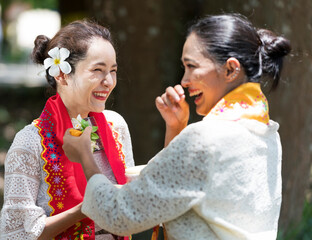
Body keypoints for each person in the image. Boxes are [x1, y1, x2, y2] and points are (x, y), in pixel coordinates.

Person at [62, 13, 291, 240]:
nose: (184, 80)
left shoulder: (204, 139)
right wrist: (177, 128)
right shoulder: (266, 130)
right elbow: (183, 194)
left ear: (230, 70)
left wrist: (85, 155)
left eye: (192, 66)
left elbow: (119, 215)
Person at [0, 20, 134, 240]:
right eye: (97, 70)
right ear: (61, 75)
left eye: (113, 71)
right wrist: (83, 209)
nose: (108, 81)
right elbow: (16, 234)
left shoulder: (115, 126)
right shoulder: (31, 143)